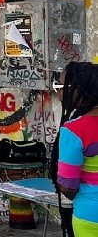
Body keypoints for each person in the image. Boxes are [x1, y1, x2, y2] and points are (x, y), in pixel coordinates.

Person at [55, 62, 98, 236]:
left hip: (91, 216)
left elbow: (67, 186)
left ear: (79, 90)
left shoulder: (74, 130)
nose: (59, 92)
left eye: (61, 86)